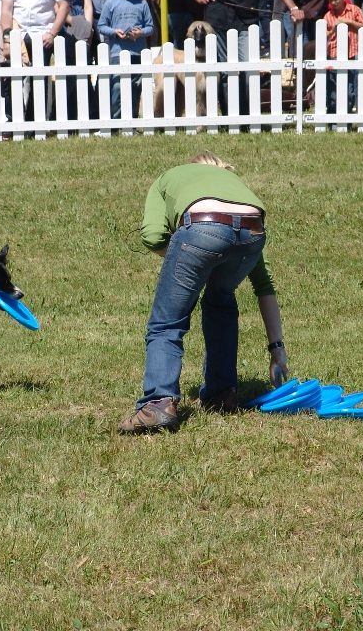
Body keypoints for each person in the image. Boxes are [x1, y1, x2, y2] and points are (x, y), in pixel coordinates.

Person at [118, 152, 289, 434]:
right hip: (254, 229)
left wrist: (190, 260)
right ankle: (222, 394)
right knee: (220, 301)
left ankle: (157, 404)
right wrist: (277, 350)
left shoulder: (167, 178)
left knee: (167, 322)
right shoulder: (235, 189)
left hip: (200, 225)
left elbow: (152, 235)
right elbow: (264, 285)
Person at [0, 0, 70, 122]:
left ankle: (35, 124)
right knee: (12, 78)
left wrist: (52, 33)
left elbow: (64, 5)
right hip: (18, 34)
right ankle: (14, 120)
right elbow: (6, 10)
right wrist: (7, 39)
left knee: (40, 81)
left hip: (42, 34)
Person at [97, 0, 154, 119]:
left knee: (135, 88)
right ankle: (116, 122)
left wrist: (140, 33)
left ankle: (132, 121)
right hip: (117, 52)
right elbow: (101, 26)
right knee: (117, 88)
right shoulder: (110, 3)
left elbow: (150, 27)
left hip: (137, 52)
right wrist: (115, 32)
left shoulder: (142, 3)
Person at [323, 0, 363, 113]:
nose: (334, 3)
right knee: (333, 90)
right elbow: (323, 36)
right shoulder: (328, 16)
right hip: (334, 56)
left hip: (352, 55)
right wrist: (332, 30)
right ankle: (333, 117)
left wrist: (349, 22)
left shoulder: (354, 10)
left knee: (350, 90)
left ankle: (346, 116)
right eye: (331, 0)